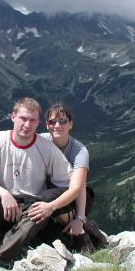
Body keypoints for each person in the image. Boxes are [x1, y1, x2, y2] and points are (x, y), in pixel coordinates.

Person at [0, 97, 82, 271]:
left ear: (38, 123)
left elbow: (74, 182)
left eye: (32, 120)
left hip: (29, 208)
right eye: (23, 118)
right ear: (13, 117)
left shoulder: (46, 148)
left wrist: (78, 216)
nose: (27, 125)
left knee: (38, 212)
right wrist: (4, 194)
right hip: (2, 203)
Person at [37, 103, 93, 240]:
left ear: (71, 124)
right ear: (47, 125)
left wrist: (80, 218)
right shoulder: (40, 140)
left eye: (62, 121)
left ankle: (82, 230)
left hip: (77, 198)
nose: (57, 125)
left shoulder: (79, 151)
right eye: (52, 122)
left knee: (47, 197)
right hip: (52, 191)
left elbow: (78, 188)